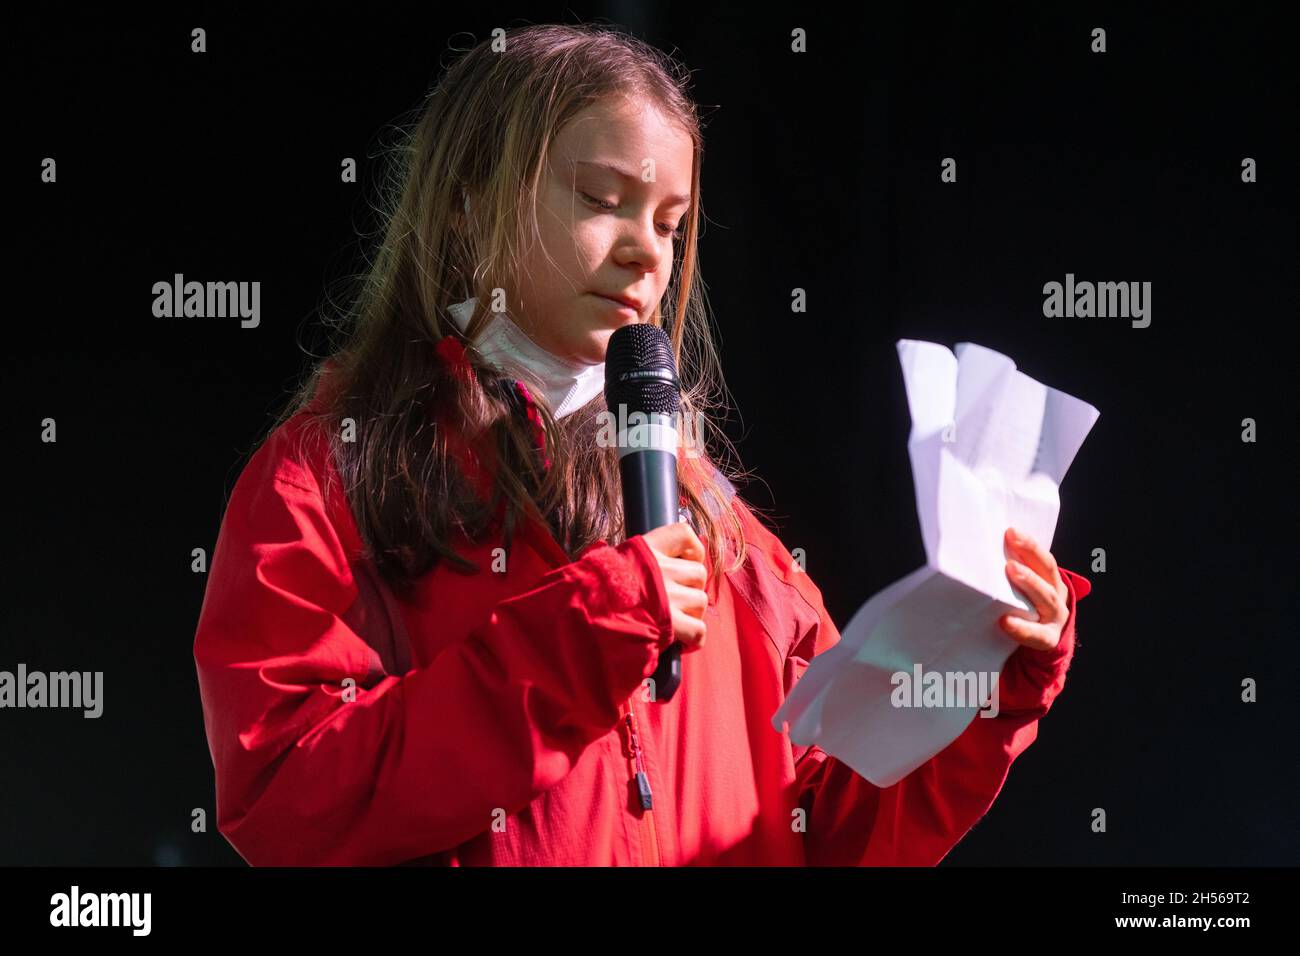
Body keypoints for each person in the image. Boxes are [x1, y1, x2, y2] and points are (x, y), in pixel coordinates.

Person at [193, 23, 1092, 866]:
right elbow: (283, 792)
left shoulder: (715, 521)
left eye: (669, 221)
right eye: (602, 200)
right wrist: (585, 632)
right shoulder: (336, 475)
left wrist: (986, 680)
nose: (647, 254)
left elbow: (839, 826)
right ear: (469, 204)